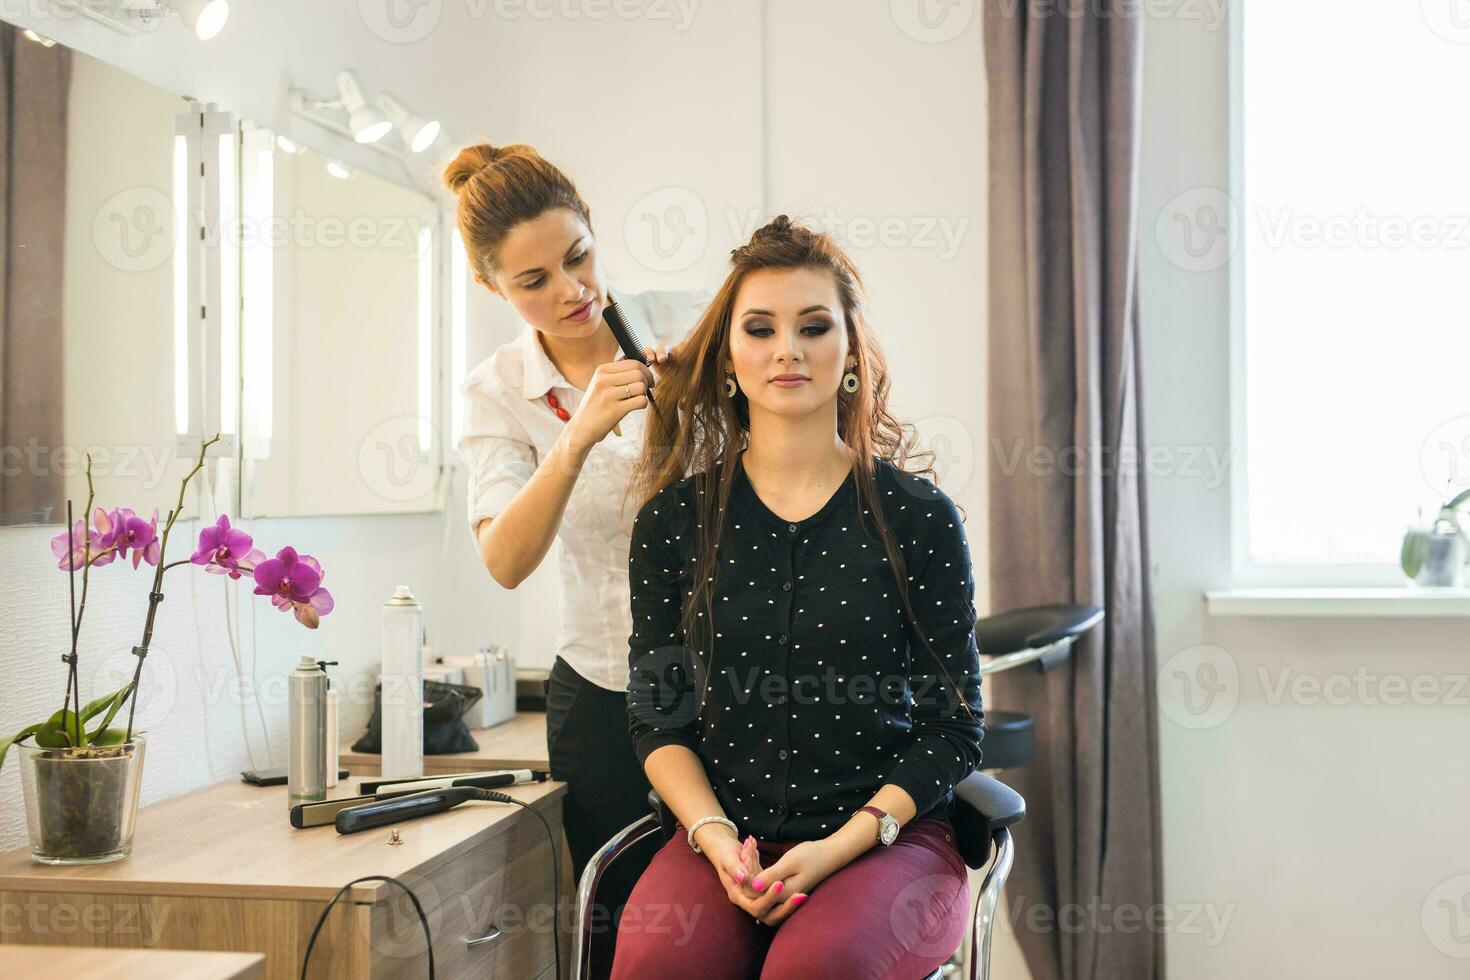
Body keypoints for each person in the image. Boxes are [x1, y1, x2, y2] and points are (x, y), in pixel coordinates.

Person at [611, 214, 985, 979]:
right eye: (760, 328)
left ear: (849, 352)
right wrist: (715, 839)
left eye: (814, 327)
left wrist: (840, 845)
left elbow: (955, 725)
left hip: (885, 840)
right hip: (723, 836)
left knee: (815, 970)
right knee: (657, 964)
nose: (788, 349)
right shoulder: (673, 522)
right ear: (727, 361)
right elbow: (659, 715)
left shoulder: (918, 518)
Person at [445, 141, 710, 976]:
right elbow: (504, 559)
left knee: (736, 918)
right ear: (493, 288)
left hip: (740, 680)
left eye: (578, 257)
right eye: (534, 282)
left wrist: (709, 400)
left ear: (593, 231)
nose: (571, 291)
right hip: (603, 690)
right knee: (624, 928)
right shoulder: (498, 393)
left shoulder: (692, 323)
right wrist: (577, 435)